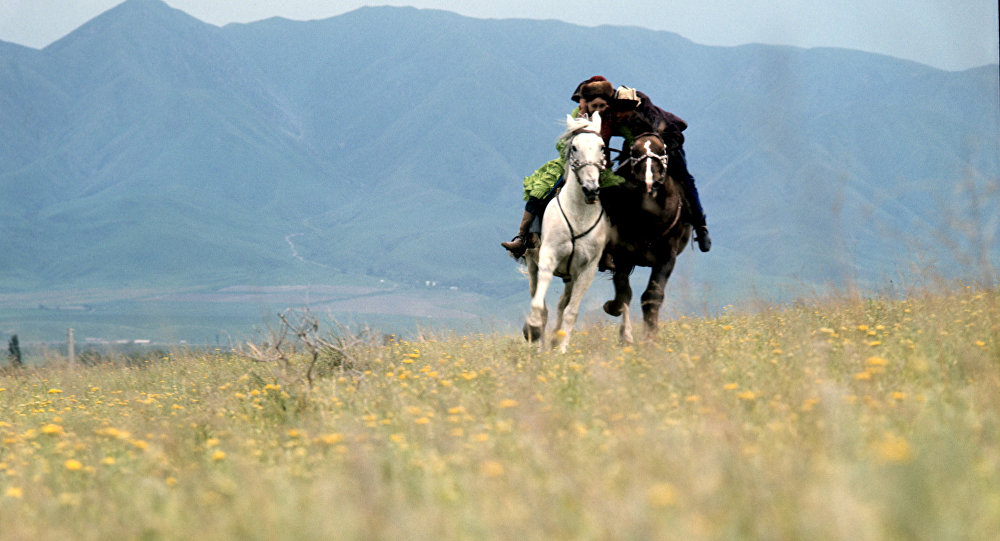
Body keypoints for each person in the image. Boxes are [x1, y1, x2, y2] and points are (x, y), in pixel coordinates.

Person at [500, 76, 624, 257]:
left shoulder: (611, 118)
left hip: (600, 167)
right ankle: (523, 238)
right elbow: (562, 143)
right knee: (539, 193)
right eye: (594, 105)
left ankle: (611, 247)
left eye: (602, 105)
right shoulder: (577, 116)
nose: (598, 109)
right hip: (570, 163)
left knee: (618, 196)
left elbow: (627, 133)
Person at [606, 85, 712, 252]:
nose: (619, 115)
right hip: (637, 145)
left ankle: (700, 226)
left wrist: (658, 153)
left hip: (668, 145)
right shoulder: (612, 113)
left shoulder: (651, 116)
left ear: (634, 108)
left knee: (685, 180)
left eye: (623, 111)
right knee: (619, 175)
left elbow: (676, 137)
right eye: (617, 110)